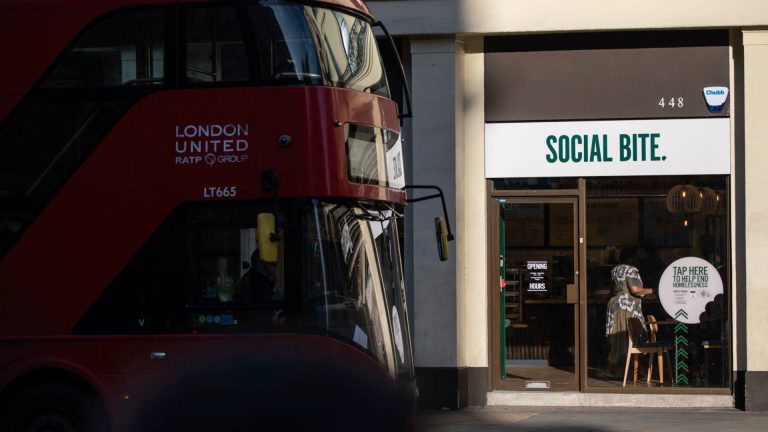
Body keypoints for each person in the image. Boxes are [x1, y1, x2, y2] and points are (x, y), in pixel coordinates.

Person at [604, 263, 654, 377]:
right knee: (630, 337)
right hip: (627, 307)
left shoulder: (615, 269)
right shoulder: (631, 269)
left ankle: (634, 368)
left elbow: (613, 288)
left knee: (619, 338)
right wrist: (653, 290)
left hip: (616, 305)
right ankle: (612, 368)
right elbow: (635, 290)